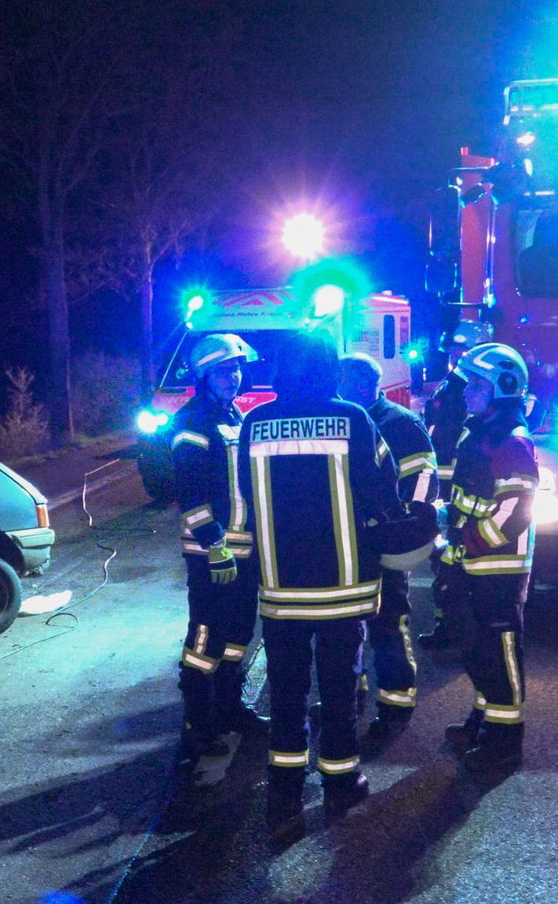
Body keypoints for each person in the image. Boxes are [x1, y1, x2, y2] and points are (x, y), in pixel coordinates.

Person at [238, 330, 400, 830]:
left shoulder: (255, 423)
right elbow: (382, 490)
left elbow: (242, 499)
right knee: (339, 687)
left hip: (281, 589)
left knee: (286, 691)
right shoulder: (355, 419)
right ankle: (340, 782)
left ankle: (284, 793)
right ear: (330, 367)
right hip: (343, 588)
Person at [438, 342, 538, 775]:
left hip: (499, 565)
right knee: (477, 647)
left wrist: (469, 543)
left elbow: (515, 511)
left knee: (500, 650)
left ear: (503, 387)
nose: (467, 392)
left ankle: (505, 742)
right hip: (472, 560)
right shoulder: (478, 429)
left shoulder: (512, 440)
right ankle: (483, 720)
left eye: (476, 384)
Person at [170, 333, 268, 765]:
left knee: (238, 635)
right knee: (205, 637)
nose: (234, 377)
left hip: (244, 551)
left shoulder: (234, 416)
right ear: (205, 376)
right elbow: (189, 493)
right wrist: (214, 546)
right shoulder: (192, 423)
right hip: (212, 555)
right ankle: (197, 724)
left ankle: (230, 708)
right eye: (225, 371)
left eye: (237, 369)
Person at [338, 353, 438, 743]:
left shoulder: (400, 423)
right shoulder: (346, 419)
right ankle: (354, 692)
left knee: (388, 620)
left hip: (386, 540)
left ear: (363, 384)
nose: (336, 389)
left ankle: (396, 704)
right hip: (351, 541)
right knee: (349, 622)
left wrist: (401, 522)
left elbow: (424, 481)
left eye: (341, 381)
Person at [417, 319, 490, 651]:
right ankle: (446, 623)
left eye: (462, 350)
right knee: (442, 559)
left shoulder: (476, 388)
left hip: (461, 485)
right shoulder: (453, 383)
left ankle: (459, 627)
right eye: (453, 350)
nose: (455, 356)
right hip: (445, 485)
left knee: (455, 560)